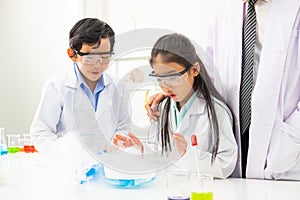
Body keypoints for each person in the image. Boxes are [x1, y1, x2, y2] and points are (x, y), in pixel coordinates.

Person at [147, 0, 300, 180]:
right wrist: (172, 93)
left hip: (284, 150)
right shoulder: (224, 13)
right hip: (234, 140)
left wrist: (290, 136)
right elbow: (209, 75)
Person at [114, 33, 238, 179]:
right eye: (160, 79)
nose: (166, 87)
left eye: (173, 77)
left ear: (194, 70)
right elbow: (158, 154)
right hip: (169, 189)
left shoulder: (216, 111)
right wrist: (140, 148)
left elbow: (226, 165)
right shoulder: (160, 108)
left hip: (201, 191)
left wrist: (188, 155)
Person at [30, 18, 131, 158]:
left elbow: (124, 128)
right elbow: (41, 133)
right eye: (90, 57)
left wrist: (117, 144)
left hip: (107, 167)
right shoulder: (56, 87)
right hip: (69, 169)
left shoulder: (118, 87)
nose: (98, 64)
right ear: (72, 55)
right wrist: (68, 155)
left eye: (105, 56)